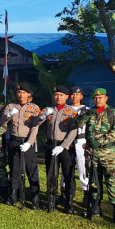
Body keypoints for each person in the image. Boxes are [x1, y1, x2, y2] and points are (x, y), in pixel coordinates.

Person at [79, 88, 115, 223]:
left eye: (100, 98)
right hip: (92, 154)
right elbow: (78, 124)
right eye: (95, 98)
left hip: (108, 154)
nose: (97, 100)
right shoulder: (89, 112)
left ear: (106, 98)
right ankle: (95, 207)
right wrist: (86, 115)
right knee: (94, 181)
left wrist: (100, 142)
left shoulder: (114, 113)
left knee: (113, 181)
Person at [37, 85, 79, 213]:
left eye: (61, 95)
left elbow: (73, 131)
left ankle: (68, 203)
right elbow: (36, 123)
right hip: (51, 145)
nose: (58, 97)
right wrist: (43, 116)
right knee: (51, 174)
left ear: (66, 97)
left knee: (68, 174)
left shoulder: (71, 112)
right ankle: (51, 201)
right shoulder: (48, 109)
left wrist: (63, 146)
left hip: (65, 147)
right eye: (56, 95)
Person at [1, 83, 41, 207]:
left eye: (24, 93)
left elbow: (35, 127)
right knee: (15, 168)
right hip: (14, 141)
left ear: (28, 94)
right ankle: (13, 195)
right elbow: (2, 123)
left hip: (27, 141)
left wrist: (29, 142)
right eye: (19, 92)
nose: (21, 95)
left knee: (31, 169)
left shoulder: (34, 108)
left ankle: (35, 197)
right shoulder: (11, 106)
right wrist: (8, 115)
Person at [67, 86, 89, 205]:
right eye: (72, 94)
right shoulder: (66, 109)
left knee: (82, 168)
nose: (74, 96)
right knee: (67, 167)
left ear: (81, 96)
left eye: (77, 94)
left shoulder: (87, 110)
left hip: (81, 141)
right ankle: (66, 193)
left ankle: (86, 193)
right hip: (67, 141)